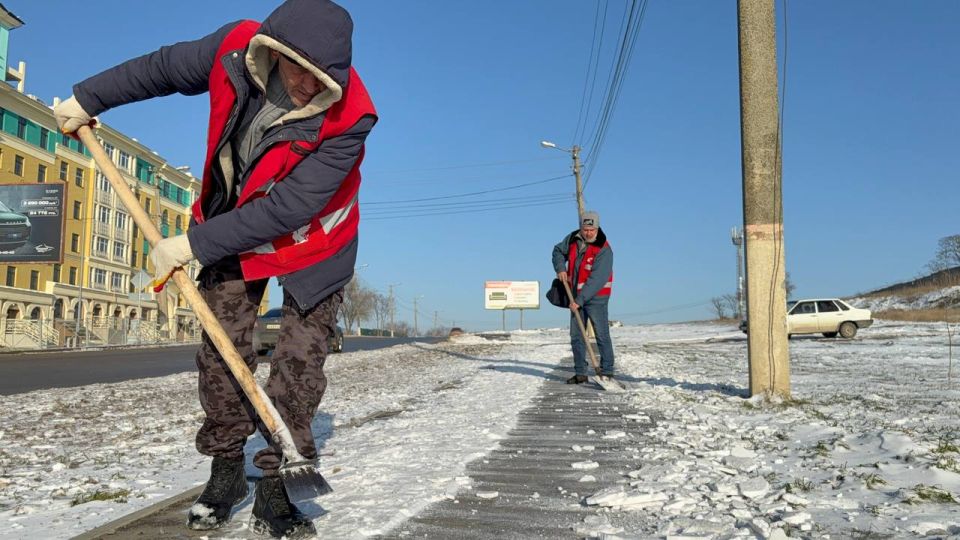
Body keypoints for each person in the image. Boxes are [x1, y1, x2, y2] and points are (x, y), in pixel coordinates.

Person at [54, 1, 376, 537]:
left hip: (315, 245)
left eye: (324, 80)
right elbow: (159, 69)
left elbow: (286, 209)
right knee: (220, 351)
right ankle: (226, 470)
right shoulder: (231, 49)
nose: (309, 87)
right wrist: (88, 97)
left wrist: (192, 243)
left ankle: (277, 485)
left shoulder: (352, 119)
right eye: (301, 70)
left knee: (299, 362)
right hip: (231, 227)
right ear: (272, 51)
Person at [551, 211, 615, 384]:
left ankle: (607, 372)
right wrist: (560, 268)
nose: (588, 233)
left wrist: (578, 301)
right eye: (585, 229)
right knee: (576, 336)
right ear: (581, 227)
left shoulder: (604, 249)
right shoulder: (573, 239)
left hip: (596, 298)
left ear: (597, 228)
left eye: (591, 230)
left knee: (601, 335)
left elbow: (596, 280)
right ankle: (581, 373)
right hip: (575, 297)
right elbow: (557, 251)